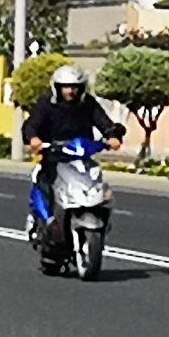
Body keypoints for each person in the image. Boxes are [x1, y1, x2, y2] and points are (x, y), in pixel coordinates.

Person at [21, 64, 122, 223]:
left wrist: (112, 136)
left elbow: (104, 122)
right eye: (66, 87)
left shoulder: (88, 104)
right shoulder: (47, 104)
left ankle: (99, 214)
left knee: (99, 186)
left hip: (82, 156)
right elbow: (32, 125)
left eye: (75, 87)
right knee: (44, 182)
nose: (70, 91)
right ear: (57, 87)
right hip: (54, 156)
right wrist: (34, 138)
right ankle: (45, 219)